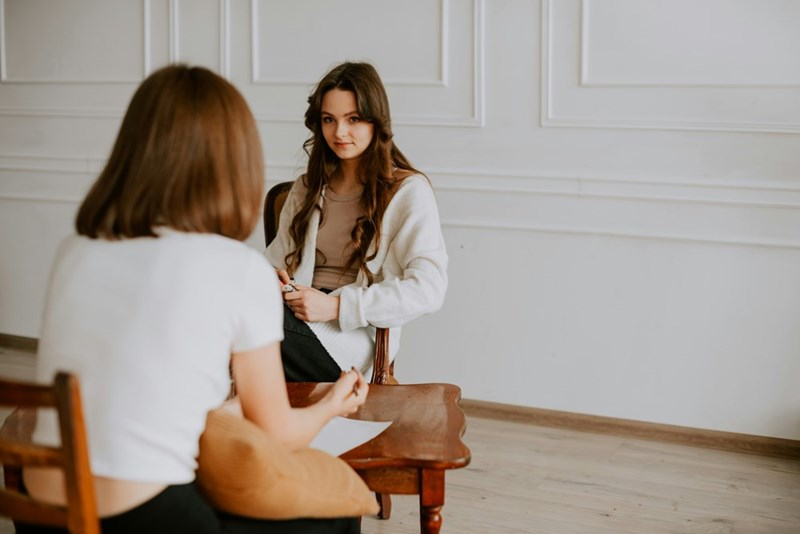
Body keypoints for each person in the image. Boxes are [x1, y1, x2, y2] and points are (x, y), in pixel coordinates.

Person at [20, 64, 368, 534]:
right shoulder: (236, 268)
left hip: (41, 510)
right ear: (233, 161)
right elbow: (277, 435)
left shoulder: (76, 249)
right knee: (336, 513)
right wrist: (330, 405)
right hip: (136, 516)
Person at [266, 62, 448, 382]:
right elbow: (274, 263)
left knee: (247, 325)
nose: (339, 133)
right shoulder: (307, 189)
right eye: (329, 119)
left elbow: (429, 289)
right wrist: (272, 281)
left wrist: (336, 308)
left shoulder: (407, 192)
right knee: (233, 311)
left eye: (353, 119)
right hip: (295, 316)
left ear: (376, 121)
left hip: (356, 334)